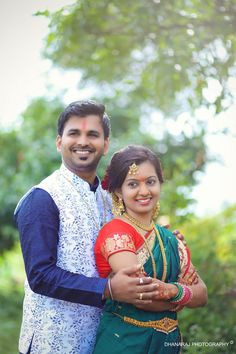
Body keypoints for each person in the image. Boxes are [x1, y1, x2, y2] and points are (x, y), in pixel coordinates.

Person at [14, 101, 161, 354]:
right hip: (52, 343)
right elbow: (40, 275)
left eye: (92, 134)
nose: (83, 141)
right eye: (74, 133)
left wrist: (164, 244)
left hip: (106, 340)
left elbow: (130, 243)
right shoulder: (42, 198)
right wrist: (107, 289)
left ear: (105, 144)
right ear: (59, 142)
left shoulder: (110, 199)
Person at [93, 145, 208, 354]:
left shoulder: (170, 239)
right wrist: (183, 296)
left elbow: (202, 295)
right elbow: (142, 296)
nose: (144, 191)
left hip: (167, 344)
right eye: (133, 184)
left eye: (151, 182)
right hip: (124, 343)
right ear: (119, 190)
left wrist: (172, 291)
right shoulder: (115, 233)